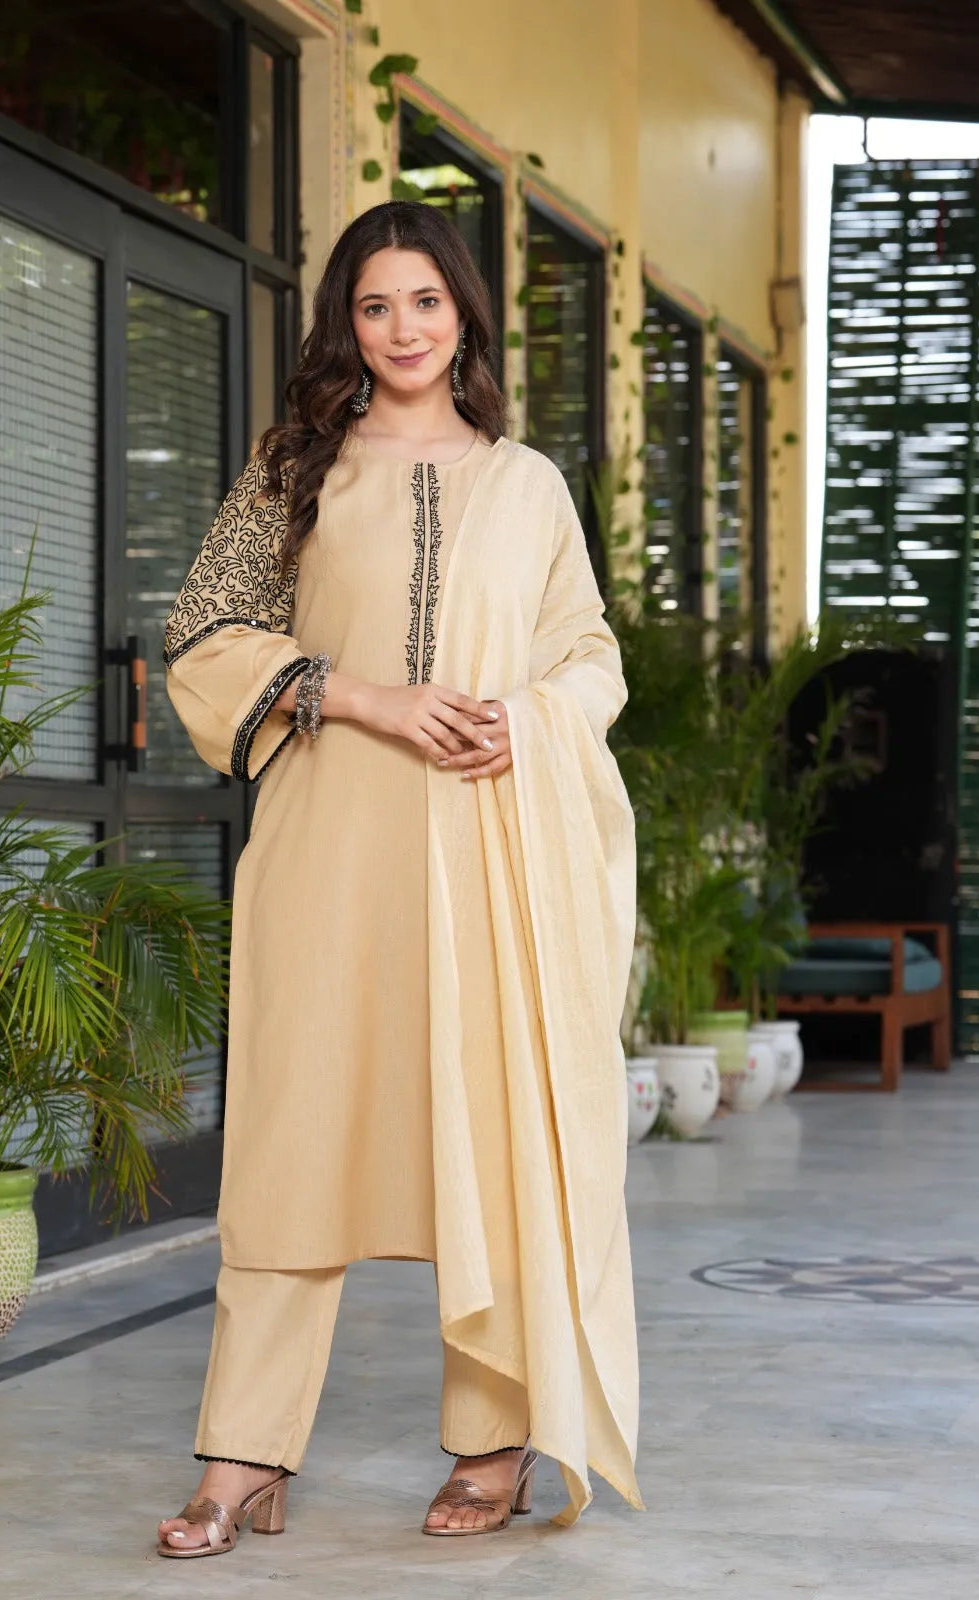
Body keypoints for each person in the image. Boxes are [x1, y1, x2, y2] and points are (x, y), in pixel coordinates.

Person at [157, 200, 641, 1559]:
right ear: (344, 324)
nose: (402, 329)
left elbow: (587, 654)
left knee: (479, 1143)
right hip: (329, 850)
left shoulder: (526, 485)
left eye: (424, 301)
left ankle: (488, 1445)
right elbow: (203, 638)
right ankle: (241, 1456)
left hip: (488, 856)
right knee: (291, 1143)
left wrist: (524, 714)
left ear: (463, 315)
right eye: (375, 306)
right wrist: (360, 695)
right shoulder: (292, 469)